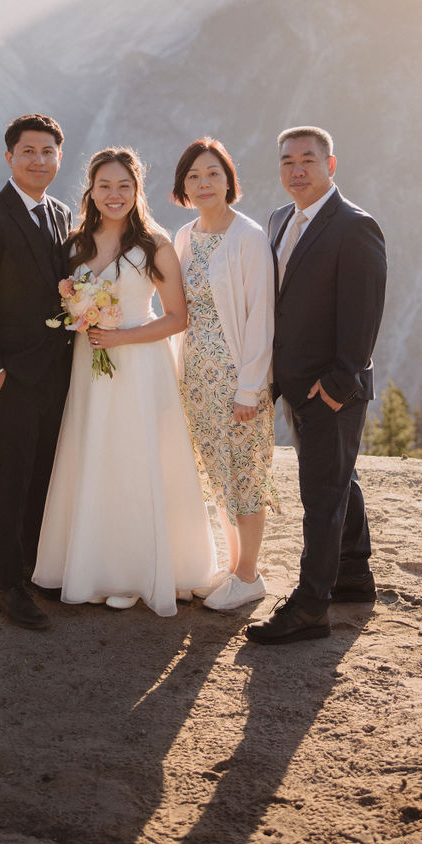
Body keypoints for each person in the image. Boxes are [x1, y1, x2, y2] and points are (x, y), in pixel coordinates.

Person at [33, 147, 218, 616]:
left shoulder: (154, 244)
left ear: (137, 190)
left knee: (138, 459)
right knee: (93, 454)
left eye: (124, 186)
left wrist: (124, 336)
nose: (114, 195)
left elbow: (178, 318)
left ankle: (140, 569)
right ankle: (95, 566)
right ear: (90, 191)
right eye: (104, 186)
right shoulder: (75, 244)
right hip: (88, 364)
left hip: (139, 366)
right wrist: (80, 313)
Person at [246, 126, 387, 645]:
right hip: (294, 382)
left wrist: (338, 384)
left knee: (322, 493)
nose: (297, 169)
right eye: (287, 162)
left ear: (331, 165)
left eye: (308, 159)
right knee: (338, 480)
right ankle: (353, 576)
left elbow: (365, 314)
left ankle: (310, 608)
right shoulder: (279, 219)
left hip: (332, 389)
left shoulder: (356, 226)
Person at [0, 114, 74, 632]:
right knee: (13, 477)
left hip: (59, 372)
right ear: (9, 157)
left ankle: (31, 566)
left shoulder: (62, 213)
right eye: (29, 151)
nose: (38, 160)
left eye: (48, 151)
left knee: (45, 471)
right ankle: (7, 584)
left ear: (58, 158)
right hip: (12, 375)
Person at [171, 137, 279, 612]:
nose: (204, 182)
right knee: (217, 473)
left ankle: (250, 575)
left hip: (237, 378)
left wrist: (251, 388)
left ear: (228, 180)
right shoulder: (184, 237)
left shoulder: (248, 237)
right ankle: (234, 568)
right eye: (194, 175)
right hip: (195, 377)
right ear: (183, 186)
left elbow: (262, 318)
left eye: (213, 173)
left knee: (245, 475)